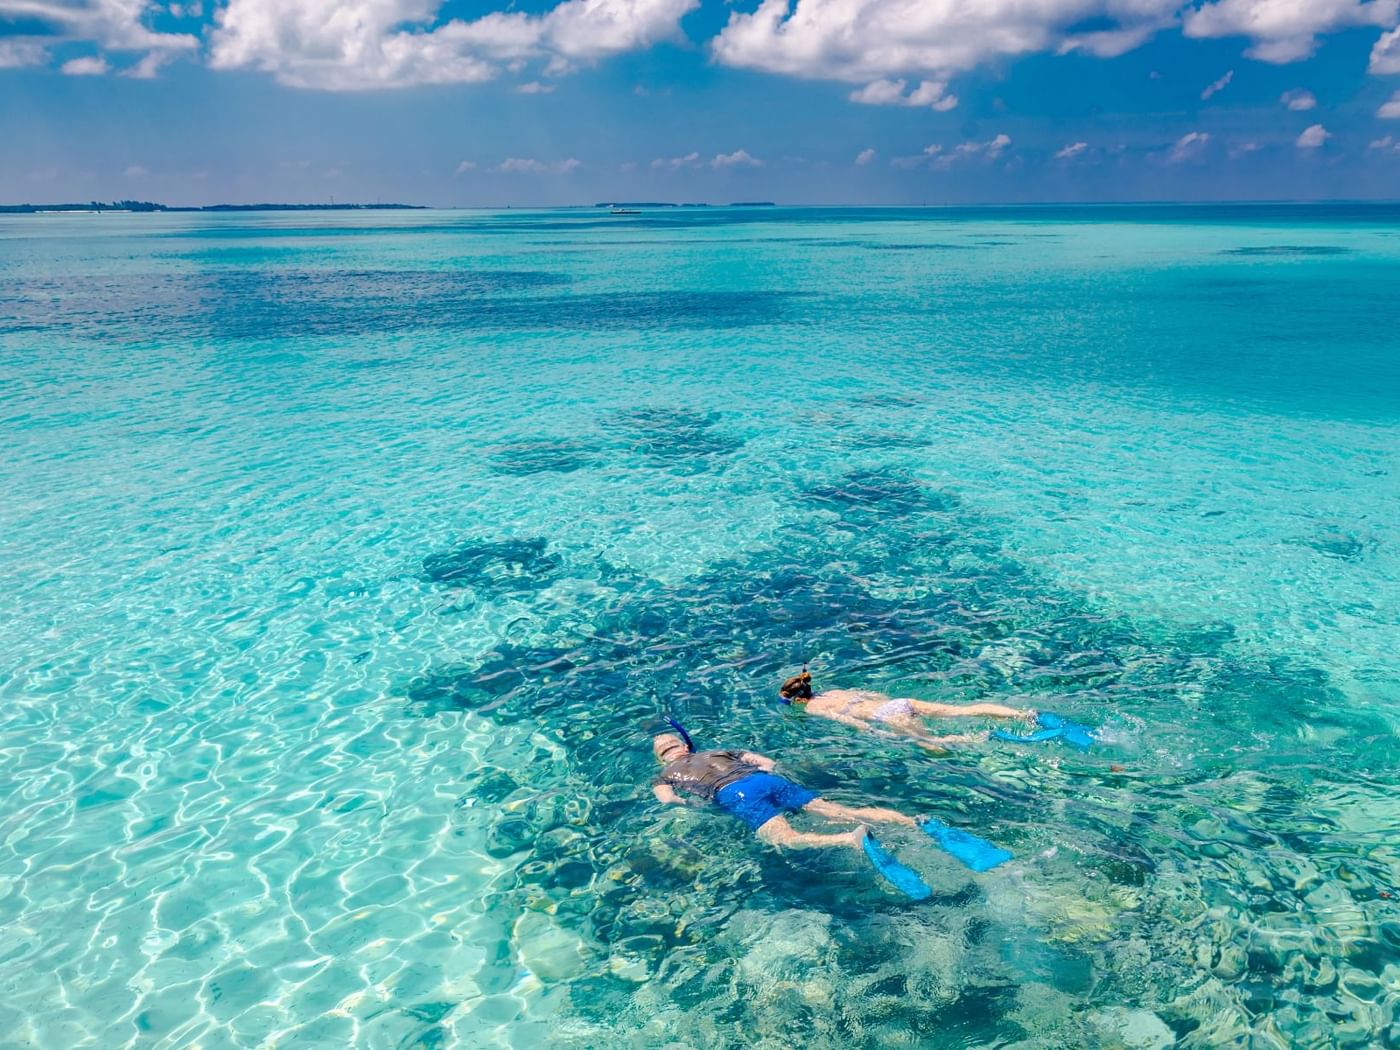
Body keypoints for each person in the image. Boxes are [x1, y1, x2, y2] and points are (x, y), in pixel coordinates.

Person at [650, 732, 917, 850]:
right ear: (685, 747)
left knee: (783, 838)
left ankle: (848, 839)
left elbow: (667, 800)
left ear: (662, 758)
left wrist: (693, 804)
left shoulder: (664, 774)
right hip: (763, 780)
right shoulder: (718, 751)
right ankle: (911, 821)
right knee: (841, 811)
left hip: (734, 794)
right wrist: (766, 779)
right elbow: (766, 762)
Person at [778, 666, 1035, 752]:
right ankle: (1022, 715)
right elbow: (872, 695)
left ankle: (985, 738)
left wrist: (877, 733)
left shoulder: (813, 709)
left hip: (888, 716)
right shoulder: (833, 692)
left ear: (796, 700)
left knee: (932, 745)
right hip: (899, 703)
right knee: (961, 710)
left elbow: (852, 723)